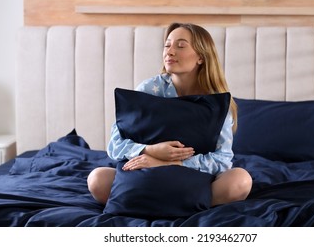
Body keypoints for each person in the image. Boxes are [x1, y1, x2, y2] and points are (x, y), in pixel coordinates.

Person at [87, 22, 252, 206]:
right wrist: (149, 150)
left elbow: (222, 160)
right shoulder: (148, 90)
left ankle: (153, 203)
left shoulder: (217, 104)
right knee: (97, 178)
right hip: (146, 176)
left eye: (180, 46)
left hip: (194, 180)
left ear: (201, 57)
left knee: (241, 180)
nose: (170, 51)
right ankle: (186, 205)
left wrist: (168, 162)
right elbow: (115, 145)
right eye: (167, 45)